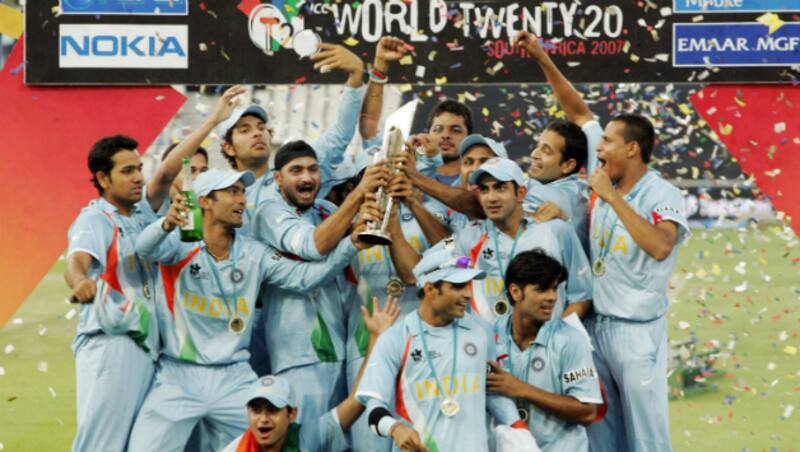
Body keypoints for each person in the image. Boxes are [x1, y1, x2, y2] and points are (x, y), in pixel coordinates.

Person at [127, 169, 372, 451]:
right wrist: (166, 225)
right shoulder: (180, 243)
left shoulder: (254, 253)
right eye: (232, 192)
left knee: (269, 443)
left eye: (243, 192)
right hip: (178, 374)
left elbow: (304, 278)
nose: (242, 200)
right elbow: (143, 250)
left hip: (234, 377)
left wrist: (350, 246)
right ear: (205, 201)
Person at [252, 141, 389, 441]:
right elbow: (313, 246)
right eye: (296, 170)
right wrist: (357, 198)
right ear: (278, 178)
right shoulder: (269, 212)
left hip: (341, 352)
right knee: (304, 444)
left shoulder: (327, 210)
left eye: (313, 169)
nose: (306, 177)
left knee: (340, 444)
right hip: (299, 357)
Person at [356, 246, 532, 451]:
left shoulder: (481, 331)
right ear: (430, 289)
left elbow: (494, 393)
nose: (468, 294)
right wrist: (395, 428)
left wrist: (521, 433)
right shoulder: (396, 338)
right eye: (458, 286)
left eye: (468, 285)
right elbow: (374, 410)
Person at [585, 114, 690, 452]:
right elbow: (577, 112)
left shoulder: (662, 193)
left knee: (647, 439)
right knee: (602, 435)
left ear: (631, 148)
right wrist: (542, 57)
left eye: (607, 141)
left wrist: (614, 200)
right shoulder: (605, 183)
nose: (599, 147)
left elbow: (661, 246)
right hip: (595, 327)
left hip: (637, 334)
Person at [387, 158, 592, 322]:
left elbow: (581, 297)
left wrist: (555, 338)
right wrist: (393, 223)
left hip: (547, 355)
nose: (491, 198)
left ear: (520, 193)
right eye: (484, 190)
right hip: (493, 357)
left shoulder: (556, 230)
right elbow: (413, 274)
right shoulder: (467, 239)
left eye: (500, 188)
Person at [64, 135, 160, 452]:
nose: (138, 177)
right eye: (127, 171)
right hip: (111, 342)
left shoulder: (140, 214)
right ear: (103, 178)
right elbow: (76, 261)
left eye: (139, 168)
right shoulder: (96, 218)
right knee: (102, 445)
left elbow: (169, 173)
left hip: (144, 343)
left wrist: (214, 122)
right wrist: (80, 282)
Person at [221, 296, 401, 452]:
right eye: (256, 410)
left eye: (272, 410)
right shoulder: (236, 449)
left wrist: (376, 338)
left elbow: (356, 399)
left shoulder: (310, 437)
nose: (263, 420)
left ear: (291, 415)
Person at [487, 250, 602, 452]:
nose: (552, 297)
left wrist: (521, 389)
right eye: (541, 290)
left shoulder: (571, 340)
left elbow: (587, 412)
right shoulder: (489, 336)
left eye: (554, 289)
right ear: (515, 292)